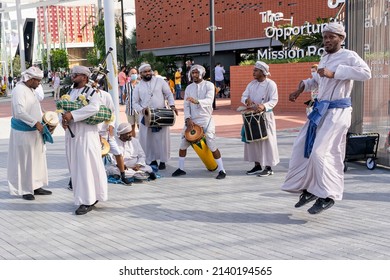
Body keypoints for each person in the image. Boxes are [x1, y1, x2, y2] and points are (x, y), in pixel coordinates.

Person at [281, 22, 371, 215]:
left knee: (321, 153)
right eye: (325, 37)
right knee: (301, 148)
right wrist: (301, 87)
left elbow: (366, 73)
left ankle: (328, 195)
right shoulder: (324, 58)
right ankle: (309, 189)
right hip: (320, 110)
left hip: (338, 112)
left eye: (331, 37)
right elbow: (318, 80)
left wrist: (336, 73)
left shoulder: (349, 56)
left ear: (341, 38)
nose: (327, 40)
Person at [61, 65, 108, 215]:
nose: (73, 76)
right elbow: (63, 108)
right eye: (72, 74)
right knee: (75, 165)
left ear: (85, 77)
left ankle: (87, 200)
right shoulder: (69, 91)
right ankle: (84, 196)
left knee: (86, 165)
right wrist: (63, 118)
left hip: (87, 134)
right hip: (72, 133)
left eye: (76, 74)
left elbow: (94, 108)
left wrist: (73, 116)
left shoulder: (92, 92)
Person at [171, 64, 227, 180]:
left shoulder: (209, 85)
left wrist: (196, 101)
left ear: (202, 73)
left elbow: (209, 100)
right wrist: (187, 119)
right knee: (182, 144)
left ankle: (222, 170)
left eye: (196, 72)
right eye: (193, 73)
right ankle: (181, 169)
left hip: (206, 119)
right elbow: (186, 105)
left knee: (211, 143)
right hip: (192, 121)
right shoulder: (189, 88)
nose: (194, 75)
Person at [7, 66, 52, 200]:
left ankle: (36, 186)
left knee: (37, 159)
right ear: (31, 79)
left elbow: (34, 107)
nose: (39, 84)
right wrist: (36, 123)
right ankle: (26, 189)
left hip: (35, 131)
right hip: (23, 132)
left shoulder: (30, 89)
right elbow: (20, 112)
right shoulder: (19, 90)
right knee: (25, 161)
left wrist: (45, 119)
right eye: (38, 81)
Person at [133, 63, 178, 170]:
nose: (148, 73)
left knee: (162, 138)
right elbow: (134, 102)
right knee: (147, 139)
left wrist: (172, 105)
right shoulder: (138, 87)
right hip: (146, 116)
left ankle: (163, 160)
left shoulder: (160, 81)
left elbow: (168, 94)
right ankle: (150, 159)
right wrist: (141, 110)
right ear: (141, 74)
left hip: (161, 113)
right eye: (145, 72)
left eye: (149, 71)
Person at [241, 61, 280, 177]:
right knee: (253, 142)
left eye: (256, 70)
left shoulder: (271, 84)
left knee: (267, 142)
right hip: (252, 116)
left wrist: (264, 106)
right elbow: (244, 95)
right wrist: (246, 100)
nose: (253, 72)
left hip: (265, 116)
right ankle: (257, 166)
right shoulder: (251, 84)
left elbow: (274, 100)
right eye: (254, 70)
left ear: (263, 72)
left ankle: (268, 167)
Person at [97, 85, 133, 185]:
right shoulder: (86, 96)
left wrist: (111, 125)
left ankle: (123, 176)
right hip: (93, 133)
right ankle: (73, 180)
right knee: (92, 157)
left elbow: (112, 112)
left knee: (117, 152)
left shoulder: (106, 95)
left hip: (107, 133)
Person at [124, 67, 139, 137]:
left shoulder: (140, 84)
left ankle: (142, 141)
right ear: (129, 75)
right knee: (132, 126)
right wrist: (126, 102)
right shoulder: (126, 85)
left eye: (135, 73)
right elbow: (124, 95)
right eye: (132, 73)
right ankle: (133, 141)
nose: (134, 74)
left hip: (139, 109)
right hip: (129, 109)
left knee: (140, 126)